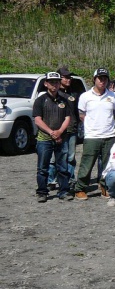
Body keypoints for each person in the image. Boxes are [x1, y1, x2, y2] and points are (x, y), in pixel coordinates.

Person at [75, 68, 115, 200]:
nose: (102, 81)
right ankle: (80, 188)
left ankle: (104, 186)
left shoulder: (112, 96)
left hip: (109, 135)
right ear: (94, 79)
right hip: (92, 136)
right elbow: (82, 115)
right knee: (87, 163)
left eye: (105, 78)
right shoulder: (85, 96)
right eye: (100, 78)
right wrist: (92, 125)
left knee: (108, 165)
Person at [33, 72, 72, 202]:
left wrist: (60, 131)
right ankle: (42, 192)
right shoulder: (40, 100)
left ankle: (64, 191)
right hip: (44, 139)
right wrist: (51, 132)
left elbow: (68, 118)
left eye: (56, 82)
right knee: (43, 167)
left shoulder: (64, 100)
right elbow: (38, 120)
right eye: (51, 82)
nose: (54, 84)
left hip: (61, 138)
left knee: (63, 167)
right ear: (46, 84)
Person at [47, 66, 80, 193]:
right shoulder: (54, 94)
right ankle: (51, 180)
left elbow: (78, 112)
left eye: (69, 77)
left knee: (70, 157)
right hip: (57, 130)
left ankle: (70, 179)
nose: (68, 79)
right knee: (54, 158)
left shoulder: (73, 93)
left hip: (72, 129)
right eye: (65, 77)